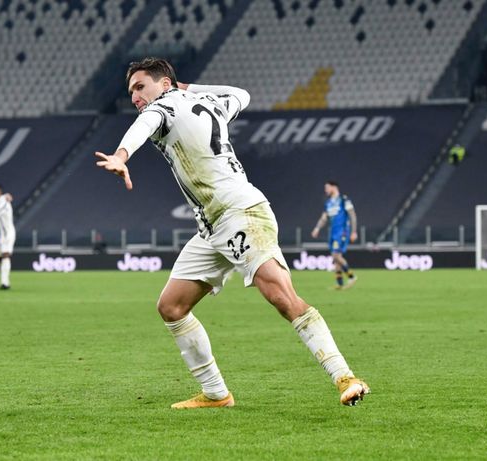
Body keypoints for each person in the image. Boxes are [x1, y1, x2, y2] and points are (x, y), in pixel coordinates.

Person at [94, 57, 369, 408]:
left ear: (163, 85)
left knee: (283, 298)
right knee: (172, 306)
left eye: (139, 87)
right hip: (211, 226)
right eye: (130, 91)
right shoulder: (212, 102)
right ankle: (216, 394)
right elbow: (242, 94)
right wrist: (187, 88)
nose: (134, 97)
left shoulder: (161, 107)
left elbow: (145, 124)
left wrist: (121, 155)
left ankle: (345, 376)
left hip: (240, 214)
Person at [311, 181, 358, 290]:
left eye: (327, 187)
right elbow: (324, 218)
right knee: (336, 257)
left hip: (342, 232)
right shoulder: (328, 203)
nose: (325, 190)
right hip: (332, 233)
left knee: (336, 255)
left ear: (334, 187)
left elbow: (352, 215)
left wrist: (354, 231)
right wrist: (317, 228)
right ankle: (340, 283)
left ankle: (351, 276)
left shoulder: (343, 199)